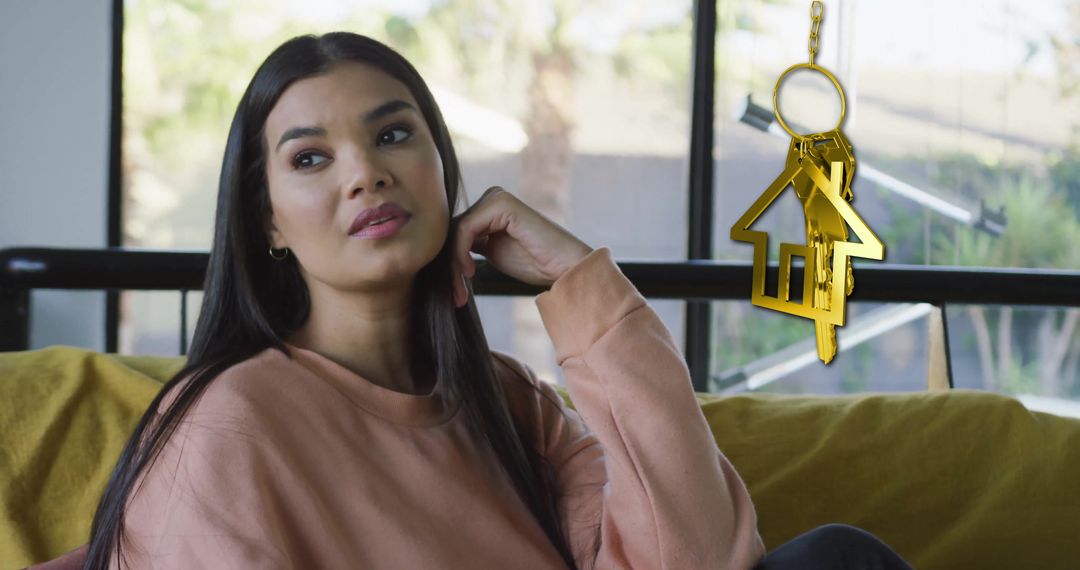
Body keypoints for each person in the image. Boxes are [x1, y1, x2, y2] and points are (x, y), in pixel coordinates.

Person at [30, 32, 910, 570]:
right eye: (310, 157)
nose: (366, 170)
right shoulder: (230, 424)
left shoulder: (509, 404)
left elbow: (704, 562)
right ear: (266, 222)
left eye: (393, 134)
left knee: (835, 558)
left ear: (440, 167)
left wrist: (581, 290)